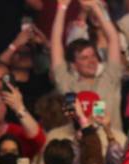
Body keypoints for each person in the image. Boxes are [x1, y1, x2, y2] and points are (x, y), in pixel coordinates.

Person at [51, 0, 123, 130]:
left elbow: (113, 39)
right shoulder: (67, 84)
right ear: (73, 65)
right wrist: (62, 7)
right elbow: (56, 44)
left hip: (110, 146)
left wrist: (96, 8)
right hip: (79, 146)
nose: (91, 61)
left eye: (93, 56)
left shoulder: (109, 79)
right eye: (84, 58)